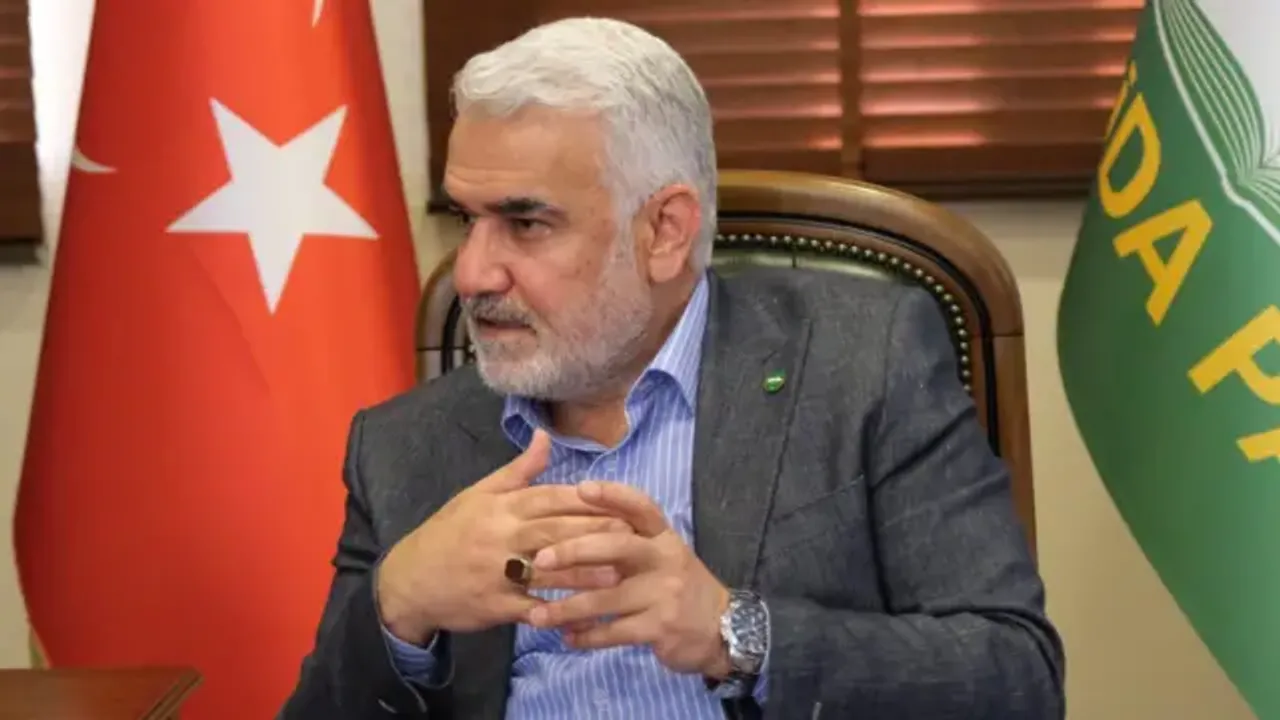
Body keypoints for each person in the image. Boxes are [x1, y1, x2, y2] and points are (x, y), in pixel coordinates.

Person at [279, 16, 1065, 720]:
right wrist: (399, 606)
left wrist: (736, 634)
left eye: (526, 223)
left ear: (664, 231)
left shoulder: (860, 362)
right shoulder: (403, 446)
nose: (473, 273)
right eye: (465, 219)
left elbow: (1017, 678)